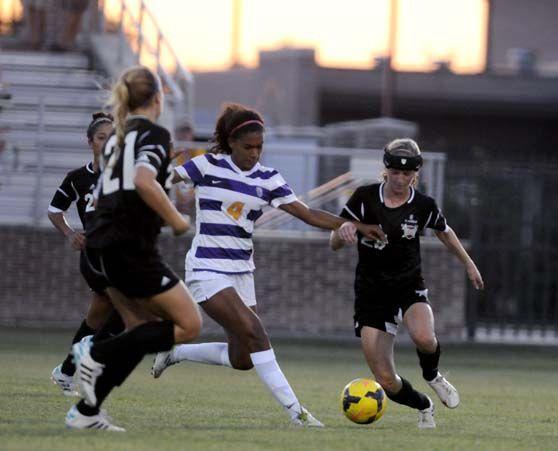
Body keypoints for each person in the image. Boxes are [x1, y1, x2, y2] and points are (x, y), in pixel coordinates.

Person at [150, 103, 386, 427]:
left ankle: (176, 353)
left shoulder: (269, 178)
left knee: (243, 359)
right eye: (248, 147)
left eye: (260, 147)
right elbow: (158, 180)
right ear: (231, 142)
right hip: (207, 269)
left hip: (242, 272)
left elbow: (309, 214)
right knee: (258, 333)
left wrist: (357, 227)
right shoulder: (205, 165)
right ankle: (298, 414)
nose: (254, 153)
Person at [65, 66, 202, 431]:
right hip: (130, 249)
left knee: (139, 327)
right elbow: (142, 179)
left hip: (98, 245)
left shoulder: (116, 137)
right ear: (159, 98)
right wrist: (176, 219)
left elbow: (126, 181)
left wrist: (169, 179)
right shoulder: (155, 133)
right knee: (189, 325)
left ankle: (86, 413)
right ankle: (93, 352)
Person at [329, 138, 484, 429]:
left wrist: (468, 262)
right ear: (385, 170)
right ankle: (423, 405)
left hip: (407, 284)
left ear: (416, 174)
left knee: (425, 338)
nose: (400, 179)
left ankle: (433, 376)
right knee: (385, 380)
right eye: (395, 173)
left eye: (407, 174)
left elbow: (445, 232)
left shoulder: (424, 205)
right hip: (371, 292)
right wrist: (343, 230)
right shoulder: (363, 197)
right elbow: (334, 243)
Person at [48, 112, 125, 396]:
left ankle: (67, 371)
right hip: (97, 254)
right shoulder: (77, 179)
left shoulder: (124, 176)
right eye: (101, 138)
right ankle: (90, 353)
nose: (106, 143)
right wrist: (70, 233)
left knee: (98, 315)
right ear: (90, 142)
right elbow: (55, 210)